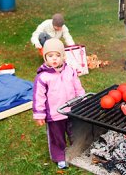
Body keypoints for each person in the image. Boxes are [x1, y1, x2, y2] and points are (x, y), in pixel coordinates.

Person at [32, 38, 85, 169]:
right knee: (57, 137)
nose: (54, 59)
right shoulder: (43, 77)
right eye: (50, 56)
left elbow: (77, 87)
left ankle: (76, 150)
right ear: (45, 57)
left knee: (75, 132)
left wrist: (83, 100)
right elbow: (39, 97)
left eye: (57, 55)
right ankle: (59, 156)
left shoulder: (70, 71)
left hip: (72, 110)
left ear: (63, 56)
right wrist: (39, 115)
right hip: (54, 114)